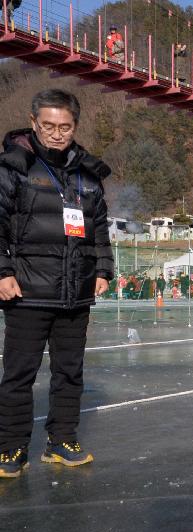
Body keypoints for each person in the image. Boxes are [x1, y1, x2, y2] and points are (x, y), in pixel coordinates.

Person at [0, 89, 113, 478]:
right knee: (19, 373)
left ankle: (61, 440)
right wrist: (3, 272)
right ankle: (11, 447)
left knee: (70, 371)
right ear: (33, 123)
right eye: (48, 125)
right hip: (27, 291)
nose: (56, 134)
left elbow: (99, 229)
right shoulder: (12, 167)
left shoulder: (87, 174)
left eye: (64, 127)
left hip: (75, 294)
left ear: (75, 127)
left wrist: (102, 270)